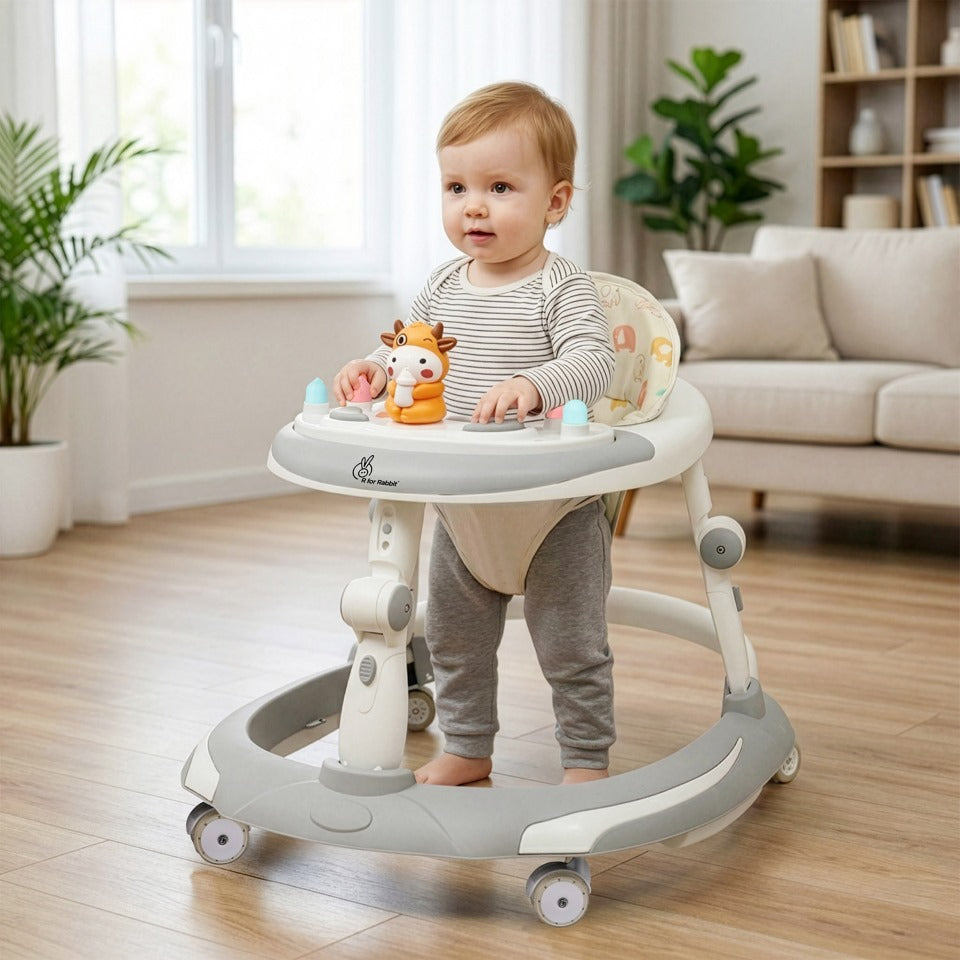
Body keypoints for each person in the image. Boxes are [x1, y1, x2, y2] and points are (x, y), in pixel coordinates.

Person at [333, 81, 616, 786]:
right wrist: (372, 372)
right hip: (463, 509)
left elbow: (594, 360)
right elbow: (410, 356)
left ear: (555, 202)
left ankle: (585, 759)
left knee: (571, 647)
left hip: (552, 508)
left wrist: (536, 385)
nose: (474, 206)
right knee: (456, 640)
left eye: (500, 187)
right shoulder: (441, 286)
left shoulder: (561, 286)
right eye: (456, 187)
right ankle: (466, 745)